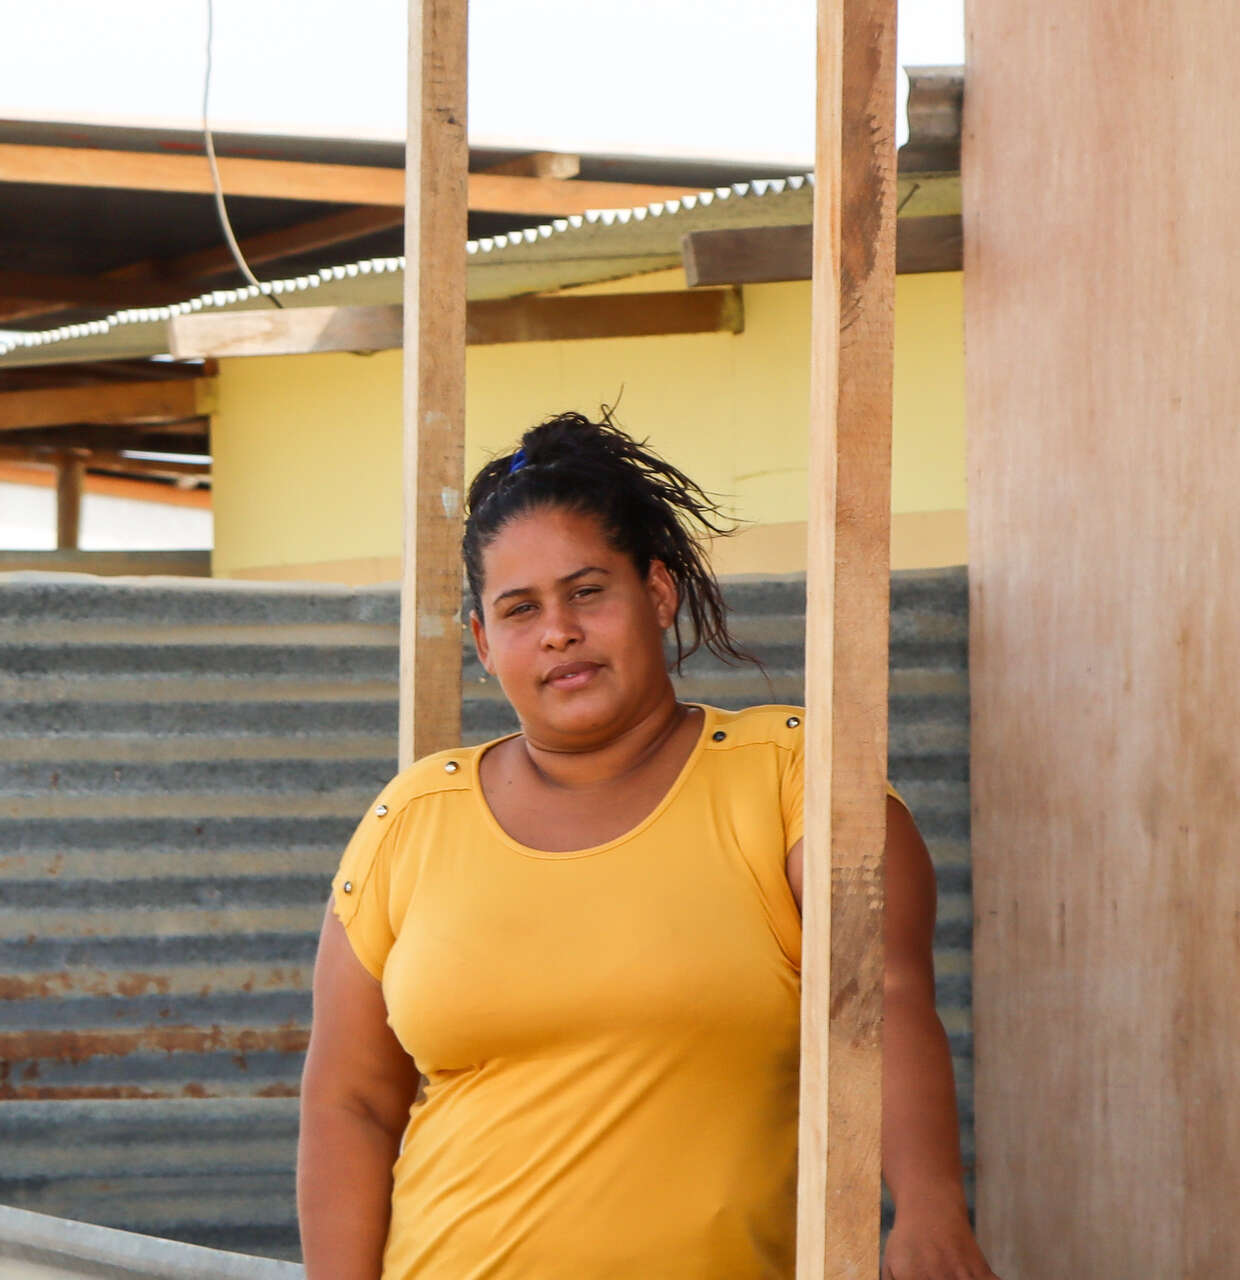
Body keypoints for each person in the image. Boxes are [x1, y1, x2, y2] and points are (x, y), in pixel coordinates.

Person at [297, 412, 998, 1280]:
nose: (558, 630)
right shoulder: (412, 818)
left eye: (587, 591)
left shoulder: (793, 781)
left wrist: (929, 1206)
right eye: (520, 610)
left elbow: (885, 997)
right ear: (483, 642)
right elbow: (352, 1104)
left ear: (657, 595)